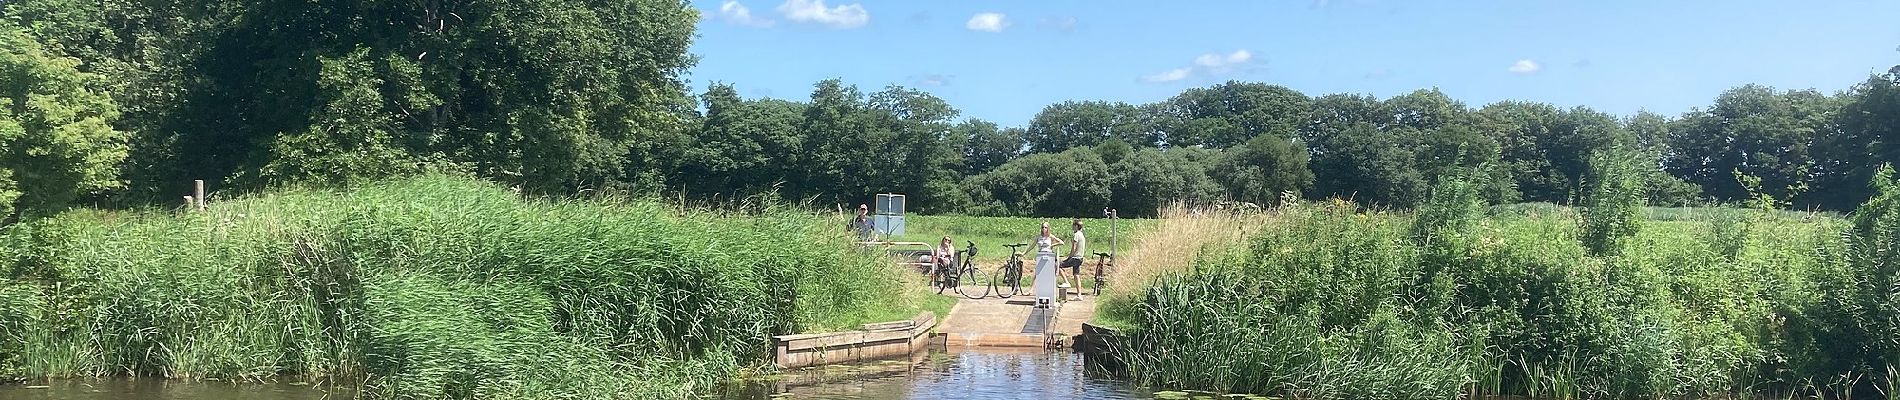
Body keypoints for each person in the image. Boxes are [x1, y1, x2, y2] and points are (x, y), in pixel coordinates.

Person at [1061, 218, 1086, 299]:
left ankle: (1066, 282)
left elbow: (1074, 247)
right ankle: (1079, 294)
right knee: (1076, 275)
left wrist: (1069, 257)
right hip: (1080, 258)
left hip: (1075, 258)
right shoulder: (1082, 235)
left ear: (1076, 226)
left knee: (1058, 265)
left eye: (1073, 225)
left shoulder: (1076, 235)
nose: (1072, 227)